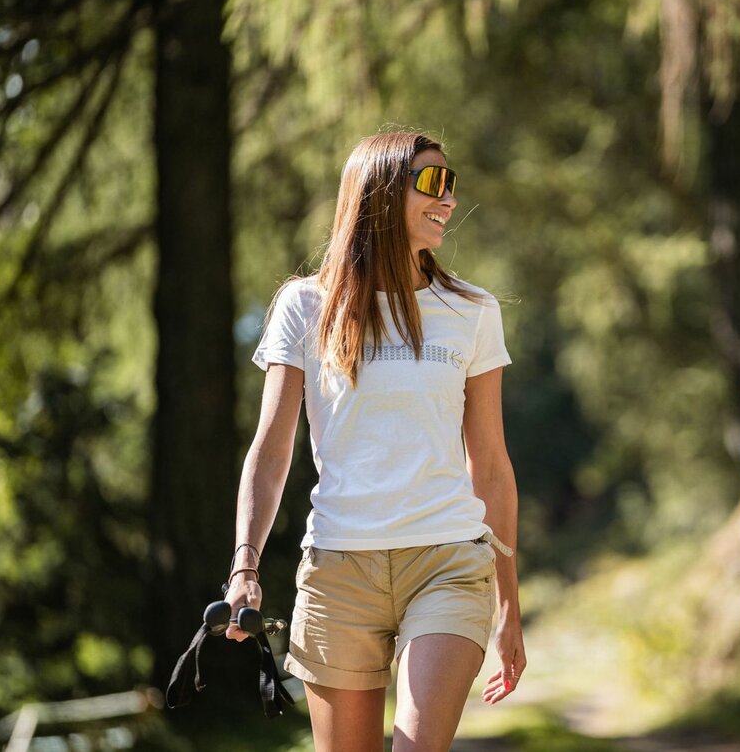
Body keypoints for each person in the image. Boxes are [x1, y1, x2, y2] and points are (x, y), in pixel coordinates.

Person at [222, 131, 525, 752]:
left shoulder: (472, 310)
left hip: (445, 561)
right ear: (382, 193)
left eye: (451, 182)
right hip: (338, 571)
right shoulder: (305, 307)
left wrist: (509, 607)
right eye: (431, 182)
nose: (448, 198)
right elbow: (273, 449)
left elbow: (489, 464)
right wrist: (245, 565)